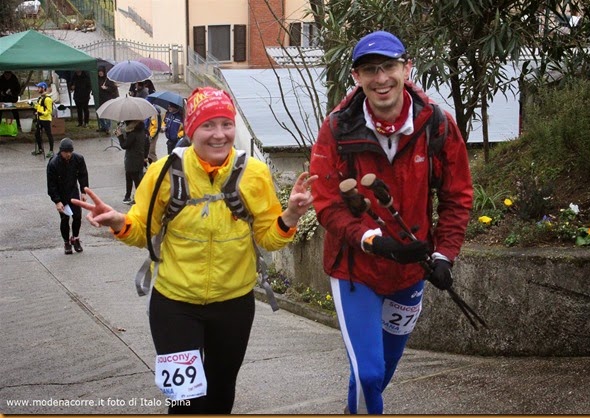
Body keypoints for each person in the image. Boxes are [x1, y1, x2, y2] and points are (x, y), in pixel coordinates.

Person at [72, 86, 317, 414]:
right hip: (175, 305)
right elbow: (142, 231)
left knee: (220, 394)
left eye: (226, 124)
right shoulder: (163, 173)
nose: (219, 135)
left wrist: (290, 216)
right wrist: (118, 221)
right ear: (190, 129)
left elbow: (269, 238)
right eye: (208, 125)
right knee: (185, 399)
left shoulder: (254, 174)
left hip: (234, 304)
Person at [309, 31, 473, 414]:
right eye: (370, 69)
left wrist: (445, 255)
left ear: (407, 67)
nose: (381, 78)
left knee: (381, 372)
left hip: (410, 272)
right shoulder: (336, 129)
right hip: (355, 271)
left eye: (388, 67)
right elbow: (327, 203)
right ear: (356, 77)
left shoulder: (437, 125)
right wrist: (370, 240)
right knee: (368, 372)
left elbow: (457, 196)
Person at [47, 137, 89, 255]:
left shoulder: (78, 159)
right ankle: (66, 241)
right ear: (61, 151)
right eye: (66, 152)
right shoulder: (54, 163)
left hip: (73, 191)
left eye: (70, 151)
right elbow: (51, 185)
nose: (68, 154)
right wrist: (57, 201)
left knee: (77, 216)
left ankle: (75, 238)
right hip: (61, 194)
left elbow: (83, 175)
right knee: (65, 219)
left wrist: (84, 191)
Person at [115, 120, 148, 204]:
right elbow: (147, 144)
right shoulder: (141, 131)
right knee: (131, 177)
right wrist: (145, 156)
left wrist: (120, 136)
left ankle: (139, 199)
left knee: (135, 180)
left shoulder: (133, 134)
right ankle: (128, 196)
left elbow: (124, 145)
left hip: (133, 160)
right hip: (138, 158)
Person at [32, 81, 55, 158]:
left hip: (46, 119)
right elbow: (38, 107)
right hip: (40, 119)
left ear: (43, 88)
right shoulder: (40, 98)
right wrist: (32, 105)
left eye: (39, 88)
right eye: (38, 87)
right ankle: (40, 149)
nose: (38, 89)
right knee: (37, 134)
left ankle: (51, 150)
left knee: (49, 134)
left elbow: (49, 111)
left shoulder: (47, 99)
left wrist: (41, 113)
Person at [96, 66, 119, 134]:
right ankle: (104, 127)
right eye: (99, 72)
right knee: (99, 113)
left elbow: (114, 89)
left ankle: (108, 127)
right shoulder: (97, 79)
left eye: (101, 72)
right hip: (100, 99)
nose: (100, 73)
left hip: (108, 99)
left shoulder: (108, 79)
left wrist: (106, 88)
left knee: (108, 114)